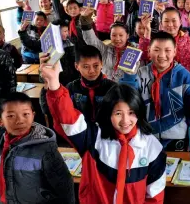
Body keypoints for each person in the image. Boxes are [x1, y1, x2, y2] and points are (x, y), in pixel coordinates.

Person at [42, 59, 166, 204]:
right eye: (118, 113)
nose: (125, 121)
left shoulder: (153, 148)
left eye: (131, 112)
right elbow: (67, 117)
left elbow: (154, 196)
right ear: (108, 114)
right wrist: (54, 82)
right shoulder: (93, 138)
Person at [0, 92, 75, 203]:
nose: (19, 121)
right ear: (0, 120)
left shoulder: (45, 150)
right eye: (11, 116)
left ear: (33, 115)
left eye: (25, 114)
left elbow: (65, 190)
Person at [121, 31, 190, 151]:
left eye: (167, 50)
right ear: (149, 51)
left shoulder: (183, 76)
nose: (162, 55)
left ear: (175, 51)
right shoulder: (140, 73)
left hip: (176, 137)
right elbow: (127, 102)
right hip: (145, 135)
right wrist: (129, 77)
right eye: (156, 50)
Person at [40, 45, 116, 128]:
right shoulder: (71, 88)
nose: (91, 71)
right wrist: (48, 82)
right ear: (77, 66)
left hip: (106, 135)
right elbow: (48, 110)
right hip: (80, 135)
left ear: (102, 64)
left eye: (96, 66)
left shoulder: (112, 88)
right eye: (86, 67)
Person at [80, 8, 133, 82]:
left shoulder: (134, 51)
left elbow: (133, 73)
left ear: (127, 36)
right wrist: (85, 20)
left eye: (121, 35)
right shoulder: (105, 48)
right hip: (106, 86)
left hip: (125, 89)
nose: (117, 39)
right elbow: (91, 40)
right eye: (114, 35)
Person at [159, 7, 190, 86]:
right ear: (161, 24)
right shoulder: (156, 41)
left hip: (186, 85)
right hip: (162, 86)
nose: (170, 24)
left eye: (174, 20)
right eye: (166, 21)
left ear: (180, 22)